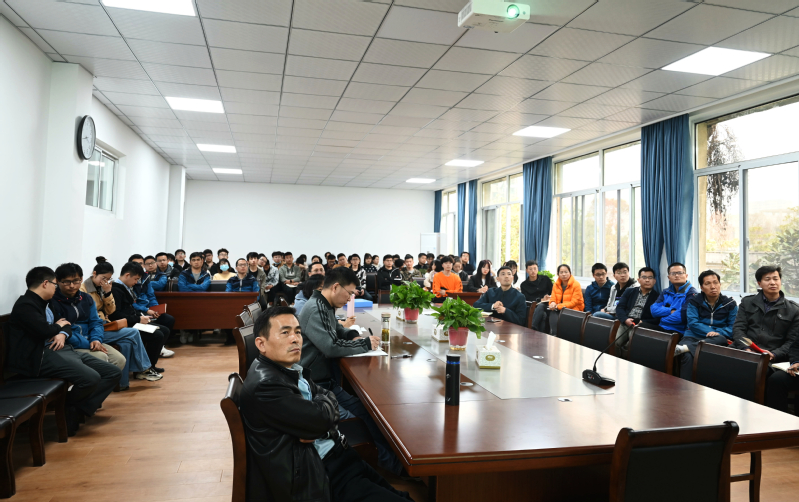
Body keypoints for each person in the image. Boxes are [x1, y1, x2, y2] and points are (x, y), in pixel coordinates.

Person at [240, 306, 413, 502]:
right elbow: (320, 420)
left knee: (401, 496)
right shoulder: (266, 385)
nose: (295, 339)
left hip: (339, 455)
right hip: (323, 474)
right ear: (261, 344)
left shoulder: (288, 368)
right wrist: (322, 415)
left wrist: (321, 412)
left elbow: (325, 397)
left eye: (298, 332)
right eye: (285, 333)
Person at [298, 268, 403, 476]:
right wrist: (364, 344)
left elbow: (337, 331)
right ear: (336, 287)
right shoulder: (316, 308)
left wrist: (352, 335)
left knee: (366, 410)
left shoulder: (324, 304)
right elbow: (330, 346)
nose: (350, 298)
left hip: (326, 381)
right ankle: (391, 464)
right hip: (317, 387)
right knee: (363, 417)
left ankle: (391, 461)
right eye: (349, 293)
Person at [8, 266, 121, 436]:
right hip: (39, 356)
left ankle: (76, 408)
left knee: (112, 372)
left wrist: (61, 332)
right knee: (90, 378)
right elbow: (44, 330)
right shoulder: (26, 305)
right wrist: (58, 327)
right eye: (55, 284)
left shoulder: (46, 303)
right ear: (45, 283)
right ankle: (69, 408)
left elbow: (66, 325)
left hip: (61, 349)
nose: (56, 288)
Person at [80, 258, 156, 390]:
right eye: (103, 278)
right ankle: (144, 368)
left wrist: (108, 293)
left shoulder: (104, 288)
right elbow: (88, 314)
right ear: (94, 274)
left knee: (126, 343)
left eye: (108, 279)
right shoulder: (84, 290)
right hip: (95, 328)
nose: (105, 282)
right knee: (133, 332)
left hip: (105, 324)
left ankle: (122, 384)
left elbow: (111, 311)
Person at [50, 263, 127, 371]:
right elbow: (63, 330)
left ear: (81, 279)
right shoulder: (52, 301)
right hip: (72, 344)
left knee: (119, 359)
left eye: (76, 281)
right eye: (66, 282)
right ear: (58, 281)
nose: (72, 286)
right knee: (101, 358)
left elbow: (95, 321)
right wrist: (89, 344)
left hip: (91, 339)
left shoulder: (86, 298)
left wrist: (96, 339)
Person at [676, 270, 738, 380]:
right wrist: (710, 332)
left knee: (721, 339)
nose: (713, 287)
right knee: (687, 356)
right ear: (702, 287)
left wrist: (716, 333)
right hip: (693, 336)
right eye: (708, 283)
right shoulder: (694, 301)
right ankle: (685, 387)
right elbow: (693, 323)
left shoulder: (730, 304)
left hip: (716, 339)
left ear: (720, 284)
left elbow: (733, 327)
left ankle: (685, 348)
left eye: (715, 282)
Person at [110, 262, 166, 377]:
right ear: (127, 275)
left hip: (133, 320)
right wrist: (138, 319)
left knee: (164, 330)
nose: (136, 282)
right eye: (135, 279)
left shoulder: (125, 287)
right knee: (157, 335)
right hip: (125, 324)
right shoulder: (115, 289)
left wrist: (140, 317)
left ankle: (150, 365)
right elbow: (115, 314)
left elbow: (130, 308)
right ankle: (144, 369)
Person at [129, 254, 176, 355]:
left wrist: (155, 309)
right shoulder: (129, 280)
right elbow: (132, 303)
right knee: (157, 328)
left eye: (141, 263)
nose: (139, 266)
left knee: (168, 319)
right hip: (138, 310)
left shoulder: (145, 277)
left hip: (148, 308)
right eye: (136, 264)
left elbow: (151, 295)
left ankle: (160, 347)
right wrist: (146, 310)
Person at [613, 267, 659, 354]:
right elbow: (620, 307)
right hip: (625, 322)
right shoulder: (629, 291)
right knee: (616, 343)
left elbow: (657, 318)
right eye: (644, 277)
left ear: (654, 281)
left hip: (639, 325)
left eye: (650, 278)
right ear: (639, 280)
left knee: (629, 347)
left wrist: (642, 322)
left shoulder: (658, 297)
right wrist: (625, 320)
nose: (647, 280)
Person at [642, 262, 697, 335]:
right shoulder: (666, 292)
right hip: (662, 327)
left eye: (680, 273)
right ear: (669, 277)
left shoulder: (692, 293)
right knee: (641, 327)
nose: (676, 275)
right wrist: (671, 311)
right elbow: (653, 310)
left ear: (686, 276)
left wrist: (662, 317)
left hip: (679, 331)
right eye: (673, 273)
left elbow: (681, 317)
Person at [532, 264, 584, 335]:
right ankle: (533, 328)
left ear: (570, 273)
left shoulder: (576, 284)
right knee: (541, 305)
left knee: (553, 312)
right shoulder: (556, 284)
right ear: (558, 274)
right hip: (558, 308)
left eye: (566, 272)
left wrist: (558, 306)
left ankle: (553, 334)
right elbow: (553, 297)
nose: (564, 274)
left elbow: (574, 302)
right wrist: (552, 303)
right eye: (561, 272)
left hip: (572, 309)